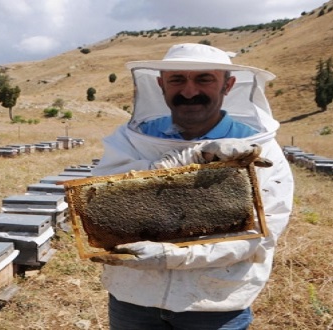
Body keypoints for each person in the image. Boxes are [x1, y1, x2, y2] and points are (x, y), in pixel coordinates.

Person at [90, 43, 294, 329]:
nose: (189, 91)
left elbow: (260, 232)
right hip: (133, 297)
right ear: (161, 85)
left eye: (204, 79)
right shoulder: (131, 139)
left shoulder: (258, 148)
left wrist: (171, 256)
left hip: (213, 302)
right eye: (177, 79)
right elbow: (100, 199)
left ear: (228, 85)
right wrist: (192, 158)